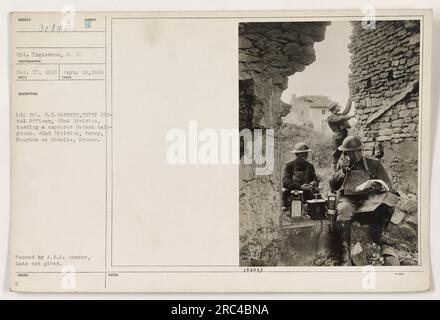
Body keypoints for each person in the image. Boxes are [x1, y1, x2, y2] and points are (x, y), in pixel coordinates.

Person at [329, 136, 395, 266]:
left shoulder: (373, 163)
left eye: (352, 152)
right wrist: (342, 171)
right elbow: (333, 185)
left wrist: (375, 185)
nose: (348, 155)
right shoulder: (342, 164)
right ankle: (344, 251)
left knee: (387, 202)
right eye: (346, 153)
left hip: (368, 198)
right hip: (348, 198)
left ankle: (378, 238)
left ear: (359, 151)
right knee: (343, 210)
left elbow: (388, 184)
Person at [282, 142, 320, 212]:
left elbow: (315, 179)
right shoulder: (289, 165)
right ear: (297, 154)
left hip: (307, 194)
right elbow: (285, 182)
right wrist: (300, 186)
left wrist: (313, 184)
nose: (306, 155)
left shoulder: (310, 166)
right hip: (292, 194)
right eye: (303, 153)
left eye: (306, 153)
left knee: (318, 203)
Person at [327, 97, 355, 171]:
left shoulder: (339, 115)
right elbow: (340, 119)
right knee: (336, 154)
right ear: (334, 108)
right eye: (337, 105)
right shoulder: (330, 118)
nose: (339, 106)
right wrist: (350, 116)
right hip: (337, 138)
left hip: (344, 136)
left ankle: (346, 168)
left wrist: (349, 100)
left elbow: (346, 110)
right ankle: (333, 170)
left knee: (346, 152)